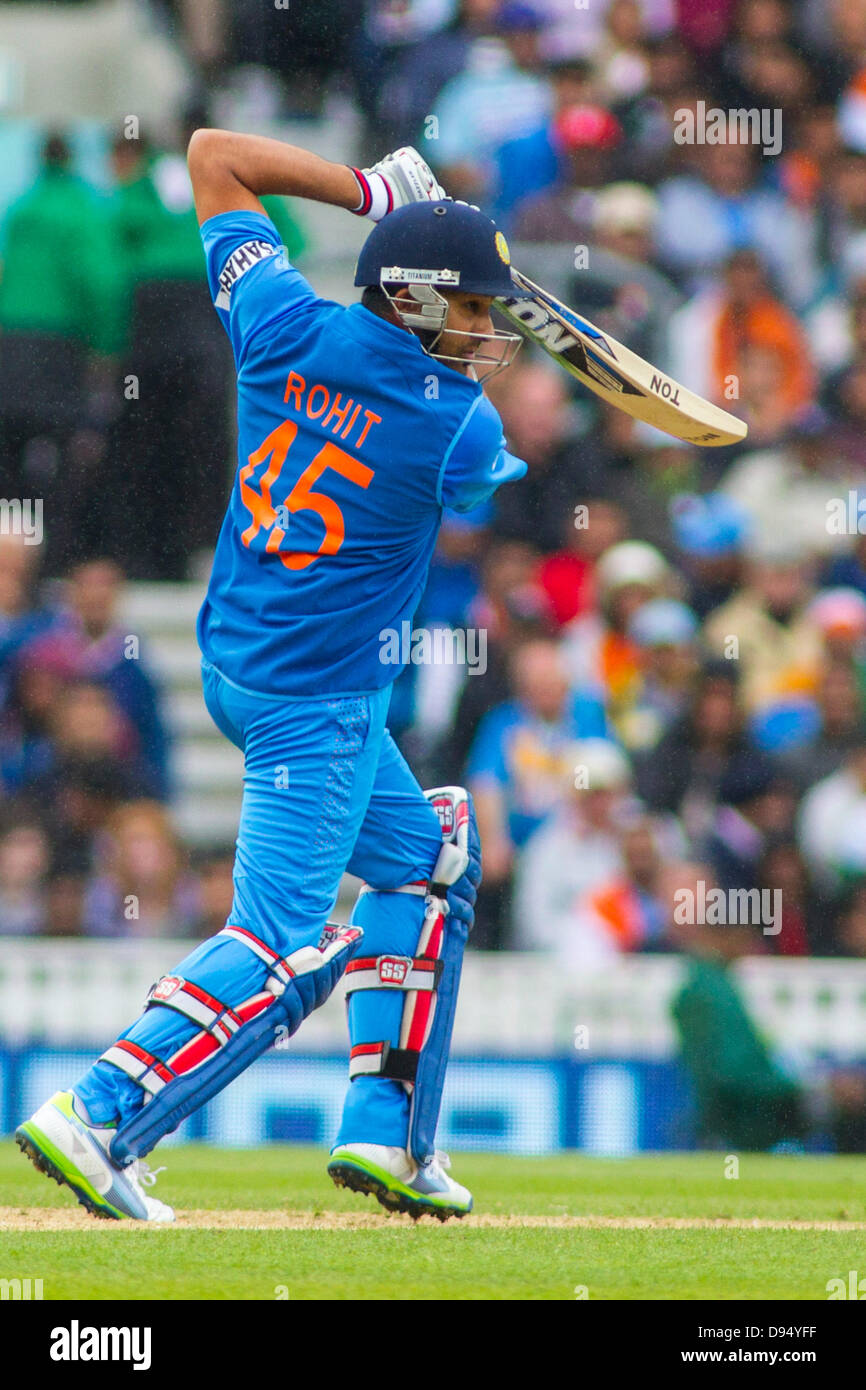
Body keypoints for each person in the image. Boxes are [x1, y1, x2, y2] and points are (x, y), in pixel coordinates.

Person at [16, 136, 531, 1222]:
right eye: (477, 312)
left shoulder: (277, 321)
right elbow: (493, 469)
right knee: (281, 940)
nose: (489, 335)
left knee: (432, 858)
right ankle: (97, 1109)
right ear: (423, 302)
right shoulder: (457, 431)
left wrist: (366, 192)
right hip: (320, 704)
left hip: (235, 664)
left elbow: (212, 159)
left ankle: (384, 1136)